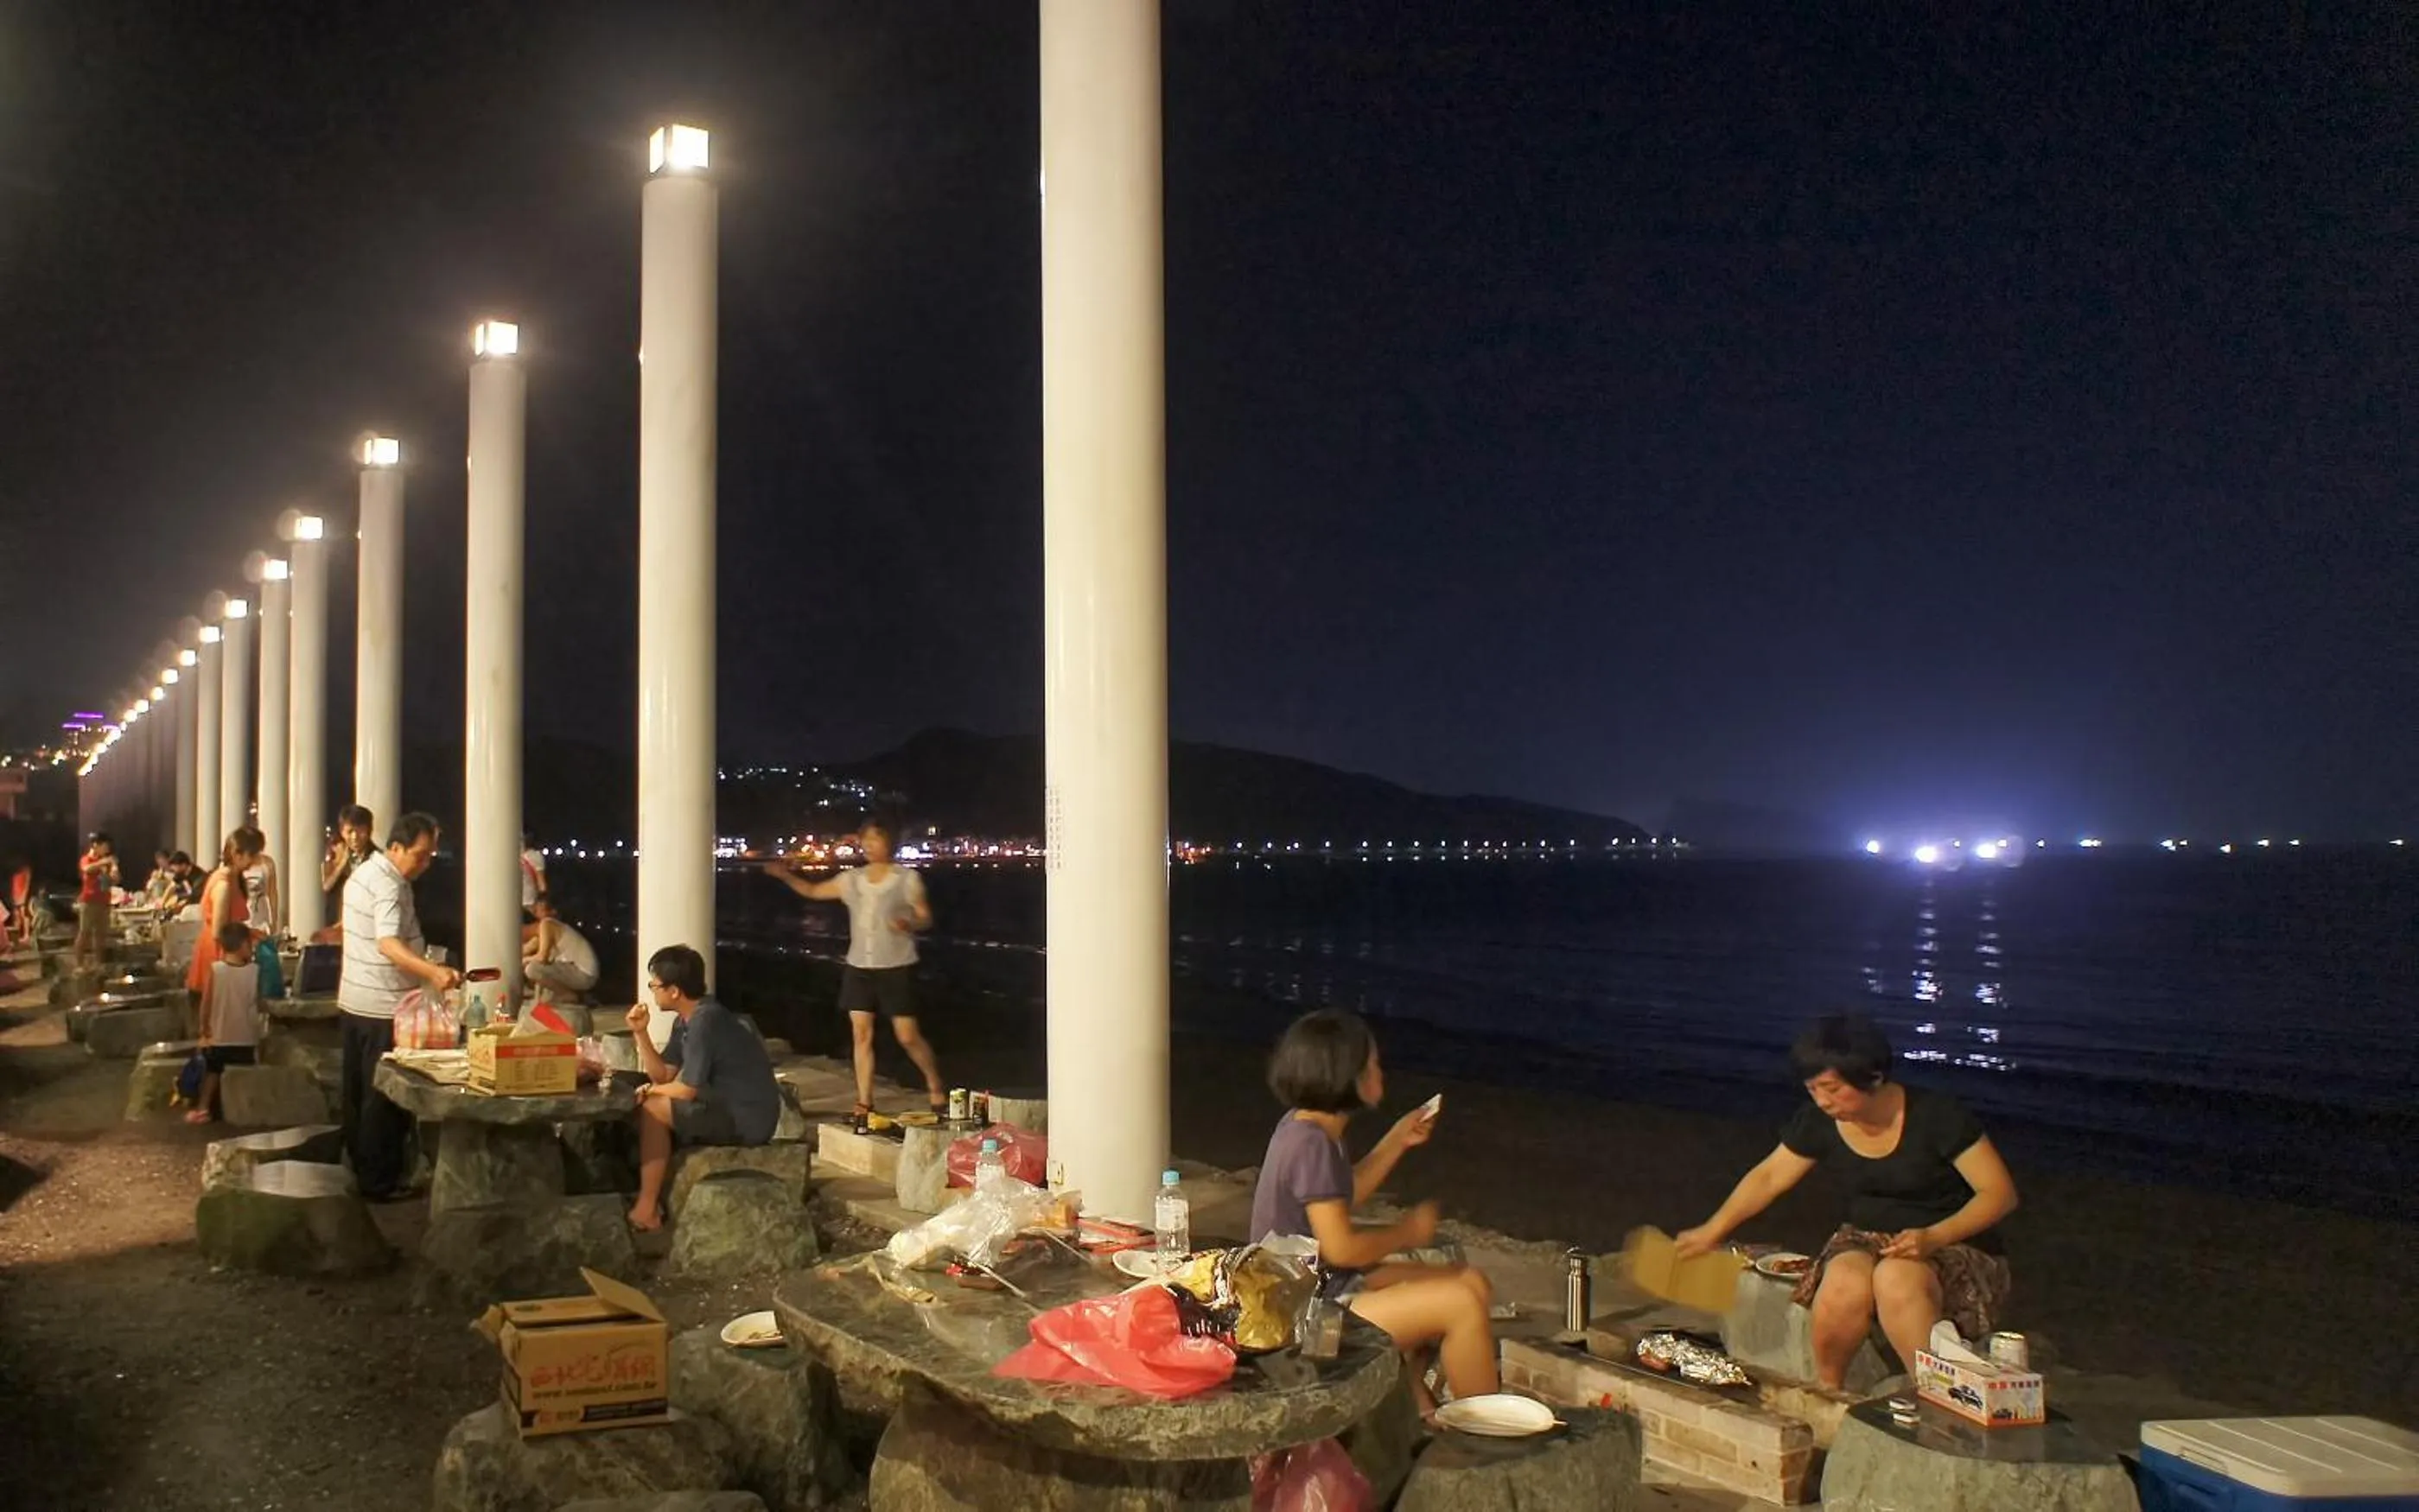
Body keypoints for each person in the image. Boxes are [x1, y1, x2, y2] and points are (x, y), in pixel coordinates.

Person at [1674, 1014, 2021, 1389]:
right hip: (1866, 1236)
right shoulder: (1819, 1121)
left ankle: (1937, 1394)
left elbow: (1999, 1195)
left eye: (1833, 1089)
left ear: (1872, 1076)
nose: (1823, 1101)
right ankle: (1830, 1393)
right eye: (1813, 1090)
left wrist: (1934, 1236)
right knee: (1843, 1283)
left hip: (1952, 1240)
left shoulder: (1938, 1116)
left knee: (1896, 1278)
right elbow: (1769, 1176)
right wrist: (1713, 1230)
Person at [1248, 1008, 1499, 1414]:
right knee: (1460, 1303)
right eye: (1374, 1065)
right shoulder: (1311, 1144)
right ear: (1349, 1077)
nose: (1381, 1073)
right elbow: (1343, 1249)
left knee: (1471, 1281)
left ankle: (1415, 1409)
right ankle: (1489, 1436)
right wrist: (1407, 1233)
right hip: (1304, 1317)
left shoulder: (1308, 1126)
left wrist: (1398, 1138)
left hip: (1326, 1284)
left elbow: (1339, 1194)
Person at [762, 817, 944, 1126]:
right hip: (859, 966)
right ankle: (865, 1101)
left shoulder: (906, 879)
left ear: (890, 843)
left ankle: (934, 1083)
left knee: (907, 1035)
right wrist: (786, 877)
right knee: (861, 1034)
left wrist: (910, 923)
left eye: (877, 839)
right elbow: (812, 890)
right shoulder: (851, 880)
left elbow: (925, 917)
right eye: (866, 840)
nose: (870, 845)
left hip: (896, 966)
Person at [339, 812, 459, 1201]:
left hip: (355, 1000)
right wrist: (433, 972)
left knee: (358, 1093)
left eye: (430, 856)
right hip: (382, 1005)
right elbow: (388, 944)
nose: (425, 864)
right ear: (395, 847)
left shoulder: (364, 874)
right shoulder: (390, 885)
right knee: (385, 1099)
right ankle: (380, 1183)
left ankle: (360, 1172)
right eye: (420, 855)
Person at [624, 943, 780, 1232]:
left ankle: (646, 1209)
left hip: (746, 1118)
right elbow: (663, 1075)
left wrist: (650, 1092)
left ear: (674, 991)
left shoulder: (705, 1021)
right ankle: (647, 1197)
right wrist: (641, 1033)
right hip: (723, 1106)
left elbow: (686, 1089)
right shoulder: (685, 1021)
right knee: (649, 1101)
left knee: (652, 1107)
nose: (652, 991)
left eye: (655, 985)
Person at [185, 829, 265, 1032]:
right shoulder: (224, 883)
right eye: (253, 855)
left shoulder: (230, 877)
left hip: (224, 949)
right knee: (218, 1021)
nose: (255, 860)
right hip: (220, 952)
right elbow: (219, 931)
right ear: (238, 854)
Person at [188, 918, 264, 1124]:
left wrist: (204, 1028)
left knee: (213, 1074)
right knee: (246, 1075)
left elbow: (207, 1002)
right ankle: (247, 1109)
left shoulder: (216, 970)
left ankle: (203, 1109)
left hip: (220, 1037)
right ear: (243, 945)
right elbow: (258, 1002)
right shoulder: (255, 971)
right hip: (246, 1038)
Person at [521, 899, 599, 1000]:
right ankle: (563, 998)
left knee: (532, 969)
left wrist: (525, 960)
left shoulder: (547, 924)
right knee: (541, 1001)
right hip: (577, 972)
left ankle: (567, 995)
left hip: (584, 973)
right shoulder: (539, 936)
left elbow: (542, 958)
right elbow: (523, 951)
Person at [73, 832, 118, 968]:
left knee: (101, 935)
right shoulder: (87, 859)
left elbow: (115, 880)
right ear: (95, 845)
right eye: (105, 846)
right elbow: (87, 869)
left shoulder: (107, 862)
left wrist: (114, 869)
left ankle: (99, 964)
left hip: (104, 901)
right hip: (89, 901)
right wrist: (104, 862)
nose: (107, 849)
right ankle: (79, 965)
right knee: (84, 933)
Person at [519, 833, 547, 911]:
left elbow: (541, 881)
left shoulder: (534, 856)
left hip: (528, 901)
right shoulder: (536, 856)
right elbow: (541, 882)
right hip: (528, 899)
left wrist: (542, 900)